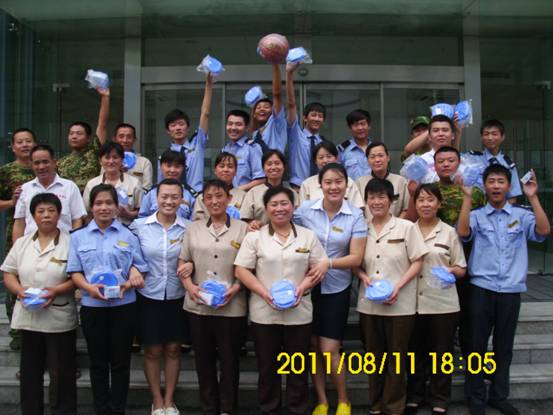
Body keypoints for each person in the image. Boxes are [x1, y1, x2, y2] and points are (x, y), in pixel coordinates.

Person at [457, 165, 550, 415]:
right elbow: (463, 232)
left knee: (504, 346)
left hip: (510, 290)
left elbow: (543, 231)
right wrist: (467, 197)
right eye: (491, 181)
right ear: (485, 186)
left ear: (509, 186)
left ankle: (499, 396)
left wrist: (533, 197)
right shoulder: (477, 215)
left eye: (500, 181)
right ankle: (476, 396)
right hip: (481, 288)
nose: (496, 186)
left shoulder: (521, 215)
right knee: (476, 345)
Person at [235, 185, 328, 415]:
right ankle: (270, 410)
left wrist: (302, 288)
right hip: (264, 312)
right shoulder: (255, 237)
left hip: (299, 311)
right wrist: (264, 293)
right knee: (268, 368)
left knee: (297, 367)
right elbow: (241, 270)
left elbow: (319, 266)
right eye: (274, 204)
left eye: (284, 203)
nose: (279, 209)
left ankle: (297, 409)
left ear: (293, 206)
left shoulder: (307, 236)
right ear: (266, 208)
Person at [67, 183, 149, 415]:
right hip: (93, 307)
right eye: (98, 203)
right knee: (98, 362)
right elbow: (74, 271)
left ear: (116, 207)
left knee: (121, 363)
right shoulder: (78, 237)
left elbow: (141, 268)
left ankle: (118, 409)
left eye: (109, 203)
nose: (104, 207)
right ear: (91, 207)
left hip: (124, 306)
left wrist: (129, 281)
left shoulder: (129, 235)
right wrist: (89, 288)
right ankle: (101, 409)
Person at [294, 163, 367, 415]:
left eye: (338, 182)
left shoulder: (355, 215)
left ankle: (344, 400)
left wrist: (329, 263)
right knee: (314, 347)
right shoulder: (305, 210)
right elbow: (284, 228)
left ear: (346, 185)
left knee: (330, 349)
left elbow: (357, 257)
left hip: (336, 289)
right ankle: (322, 401)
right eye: (328, 182)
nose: (333, 187)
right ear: (320, 185)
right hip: (307, 286)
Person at [354, 178, 427, 415]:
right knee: (373, 356)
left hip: (400, 304)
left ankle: (394, 407)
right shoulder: (360, 228)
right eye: (372, 197)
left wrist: (398, 287)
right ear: (366, 201)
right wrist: (363, 278)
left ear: (391, 200)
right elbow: (355, 263)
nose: (376, 202)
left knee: (397, 356)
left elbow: (418, 261)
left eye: (381, 197)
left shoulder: (406, 227)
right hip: (369, 305)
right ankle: (375, 405)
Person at [1, 193, 78, 415]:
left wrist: (55, 291)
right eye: (41, 211)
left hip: (58, 317)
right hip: (29, 317)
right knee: (30, 373)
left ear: (59, 214)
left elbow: (77, 278)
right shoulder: (23, 243)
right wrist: (19, 290)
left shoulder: (71, 242)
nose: (46, 215)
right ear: (33, 216)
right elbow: (9, 273)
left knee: (62, 373)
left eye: (51, 211)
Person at [178, 179, 249, 415]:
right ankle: (209, 408)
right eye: (209, 197)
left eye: (219, 196)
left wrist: (237, 287)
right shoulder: (193, 228)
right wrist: (190, 287)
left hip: (232, 306)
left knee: (230, 361)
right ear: (203, 201)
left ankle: (228, 408)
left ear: (229, 198)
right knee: (204, 360)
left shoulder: (243, 229)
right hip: (199, 305)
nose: (215, 201)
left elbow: (250, 265)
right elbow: (183, 261)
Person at [405, 183, 467, 415]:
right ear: (415, 204)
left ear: (439, 203)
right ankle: (414, 395)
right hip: (411, 303)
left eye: (430, 200)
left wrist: (450, 271)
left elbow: (461, 267)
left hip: (442, 303)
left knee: (442, 354)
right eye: (421, 200)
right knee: (414, 353)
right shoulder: (406, 230)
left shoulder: (449, 232)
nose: (425, 204)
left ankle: (440, 398)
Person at [129, 179, 189, 415]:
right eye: (164, 196)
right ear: (156, 198)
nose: (169, 201)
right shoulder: (138, 227)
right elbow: (127, 254)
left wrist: (192, 264)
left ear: (181, 200)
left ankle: (169, 400)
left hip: (177, 294)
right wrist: (132, 269)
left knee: (173, 349)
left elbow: (196, 254)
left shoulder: (189, 228)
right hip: (148, 295)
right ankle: (157, 400)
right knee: (152, 350)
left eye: (174, 197)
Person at [0, 128, 36, 351]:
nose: (24, 145)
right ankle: (17, 330)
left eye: (28, 141)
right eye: (20, 142)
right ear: (13, 147)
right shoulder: (6, 171)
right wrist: (11, 203)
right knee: (15, 278)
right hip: (17, 232)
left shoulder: (45, 167)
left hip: (44, 232)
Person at [12, 144, 86, 242]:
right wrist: (17, 249)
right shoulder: (25, 189)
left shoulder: (69, 187)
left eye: (45, 162)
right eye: (37, 163)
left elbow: (77, 219)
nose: (41, 167)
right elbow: (19, 222)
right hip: (31, 246)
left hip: (63, 246)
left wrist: (73, 245)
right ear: (32, 165)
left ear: (54, 162)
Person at [157, 73, 213, 193]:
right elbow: (161, 184)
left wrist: (208, 85)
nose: (178, 128)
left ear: (188, 128)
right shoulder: (164, 157)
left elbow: (205, 114)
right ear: (167, 131)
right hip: (174, 198)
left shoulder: (197, 144)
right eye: (173, 125)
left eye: (181, 124)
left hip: (196, 196)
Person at [57, 87, 110, 192]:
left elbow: (102, 125)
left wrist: (105, 97)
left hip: (90, 199)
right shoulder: (61, 162)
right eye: (71, 133)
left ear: (88, 138)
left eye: (79, 133)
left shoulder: (94, 152)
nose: (74, 136)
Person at [285, 62, 327, 188]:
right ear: (304, 118)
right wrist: (289, 74)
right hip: (298, 187)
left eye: (320, 116)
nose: (317, 119)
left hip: (319, 189)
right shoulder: (296, 135)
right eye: (313, 115)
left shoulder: (324, 143)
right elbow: (291, 104)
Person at [83, 142, 144, 225]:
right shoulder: (92, 184)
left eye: (115, 157)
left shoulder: (134, 183)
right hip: (99, 229)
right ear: (100, 161)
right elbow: (87, 213)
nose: (111, 161)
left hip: (127, 229)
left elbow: (141, 212)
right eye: (107, 157)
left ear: (122, 160)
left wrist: (127, 214)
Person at [240, 150, 297, 231]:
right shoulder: (253, 192)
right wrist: (252, 223)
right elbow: (244, 219)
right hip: (259, 234)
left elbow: (298, 219)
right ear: (263, 168)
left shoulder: (293, 193)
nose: (273, 167)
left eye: (277, 163)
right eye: (269, 164)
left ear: (284, 167)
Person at [468, 119, 522, 202]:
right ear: (482, 137)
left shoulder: (508, 164)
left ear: (502, 137)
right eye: (486, 134)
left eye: (494, 134)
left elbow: (512, 195)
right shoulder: (473, 159)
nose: (490, 138)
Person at [299, 142, 364, 209]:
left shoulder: (349, 182)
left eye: (329, 156)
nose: (325, 160)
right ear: (315, 161)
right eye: (321, 157)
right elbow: (302, 211)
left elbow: (358, 208)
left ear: (336, 158)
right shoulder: (307, 184)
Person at [356, 141, 410, 220]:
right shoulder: (360, 183)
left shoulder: (401, 181)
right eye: (372, 157)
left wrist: (396, 225)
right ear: (367, 160)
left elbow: (406, 209)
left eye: (381, 155)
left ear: (388, 157)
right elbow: (357, 211)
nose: (377, 160)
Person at [141, 150, 196, 220]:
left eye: (177, 166)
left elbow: (195, 221)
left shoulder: (190, 195)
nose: (172, 170)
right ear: (161, 166)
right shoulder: (150, 193)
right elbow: (142, 217)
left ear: (183, 168)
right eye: (168, 166)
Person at [192, 152, 246, 221]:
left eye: (230, 166)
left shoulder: (244, 196)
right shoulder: (203, 196)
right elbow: (197, 222)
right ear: (215, 170)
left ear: (235, 172)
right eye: (222, 166)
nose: (226, 170)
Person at [221, 110, 265, 191]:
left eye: (238, 124)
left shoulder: (252, 148)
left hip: (246, 195)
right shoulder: (225, 149)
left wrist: (238, 190)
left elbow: (261, 179)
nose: (233, 128)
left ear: (247, 128)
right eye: (230, 124)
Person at [249, 64, 287, 153]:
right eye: (258, 107)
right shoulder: (255, 134)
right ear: (254, 114)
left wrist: (275, 64)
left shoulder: (276, 124)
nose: (262, 109)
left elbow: (277, 94)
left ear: (272, 111)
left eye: (266, 107)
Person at [415, 115, 462, 184]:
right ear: (429, 136)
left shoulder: (464, 161)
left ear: (453, 135)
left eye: (445, 130)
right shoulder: (421, 162)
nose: (440, 134)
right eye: (436, 130)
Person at [111, 122, 153, 191]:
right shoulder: (108, 162)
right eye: (121, 136)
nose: (125, 140)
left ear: (134, 140)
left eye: (129, 137)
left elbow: (147, 188)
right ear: (114, 139)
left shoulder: (144, 162)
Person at [337, 109, 372, 181]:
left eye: (363, 124)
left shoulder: (376, 148)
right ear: (350, 128)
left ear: (369, 126)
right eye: (356, 125)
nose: (360, 128)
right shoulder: (341, 150)